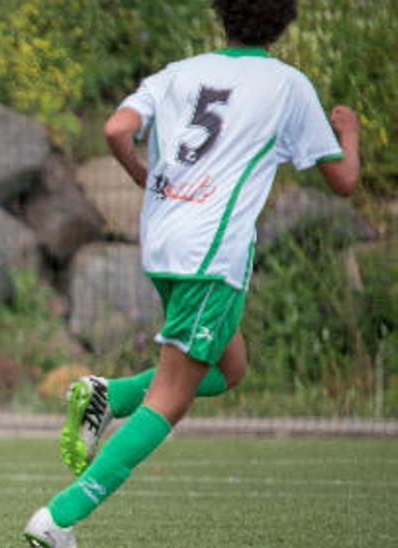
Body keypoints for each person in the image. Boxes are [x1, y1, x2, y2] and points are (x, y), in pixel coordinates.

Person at [24, 1, 360, 546]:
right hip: (212, 253)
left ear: (220, 14)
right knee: (172, 398)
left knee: (230, 369)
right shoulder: (287, 84)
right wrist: (350, 132)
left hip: (162, 241)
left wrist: (142, 173)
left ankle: (106, 395)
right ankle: (58, 519)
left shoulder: (179, 73)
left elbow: (116, 129)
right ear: (287, 20)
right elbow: (343, 179)